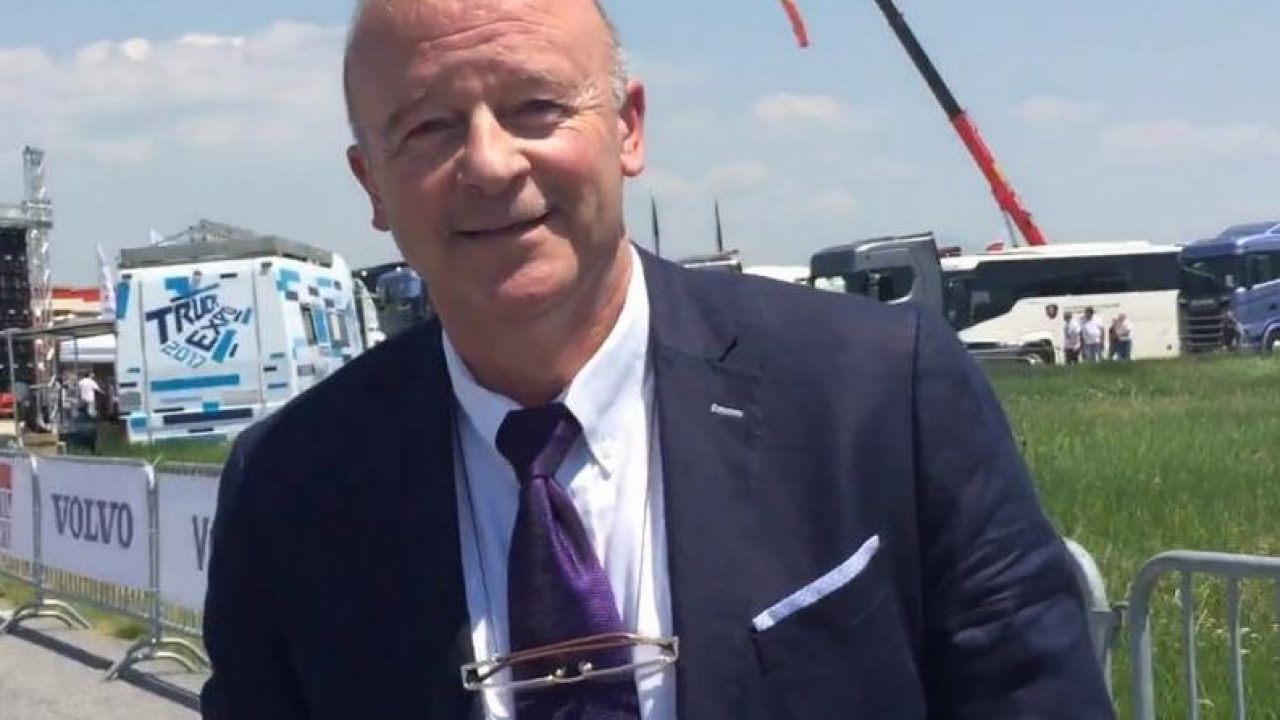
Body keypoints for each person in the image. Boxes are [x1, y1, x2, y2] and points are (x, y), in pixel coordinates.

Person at [199, 1, 1113, 718]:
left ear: (628, 129)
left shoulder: (881, 394)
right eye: (429, 128)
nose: (490, 162)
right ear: (372, 185)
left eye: (536, 107)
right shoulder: (289, 487)